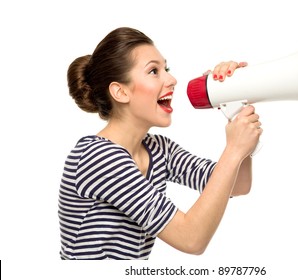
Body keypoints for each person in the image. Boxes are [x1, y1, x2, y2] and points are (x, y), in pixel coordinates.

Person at [59, 27, 262, 260]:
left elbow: (237, 184)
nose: (172, 79)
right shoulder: (98, 157)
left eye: (166, 68)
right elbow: (191, 239)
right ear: (120, 91)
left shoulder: (158, 149)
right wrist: (234, 150)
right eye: (154, 71)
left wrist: (237, 108)